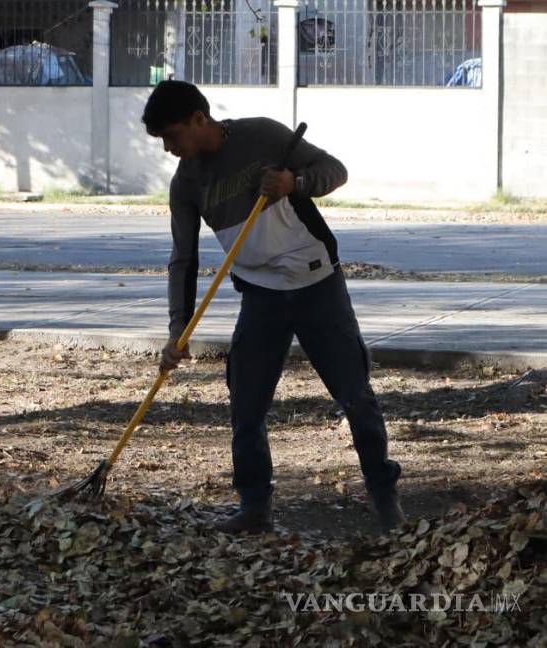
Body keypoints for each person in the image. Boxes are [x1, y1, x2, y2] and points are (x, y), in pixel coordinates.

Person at [143, 80, 405, 534]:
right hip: (261, 295)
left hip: (318, 284)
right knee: (246, 404)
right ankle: (254, 508)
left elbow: (335, 170)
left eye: (173, 137)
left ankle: (386, 501)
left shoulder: (262, 135)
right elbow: (183, 259)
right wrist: (177, 328)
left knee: (355, 395)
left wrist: (294, 182)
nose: (169, 149)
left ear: (198, 119)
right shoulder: (186, 183)